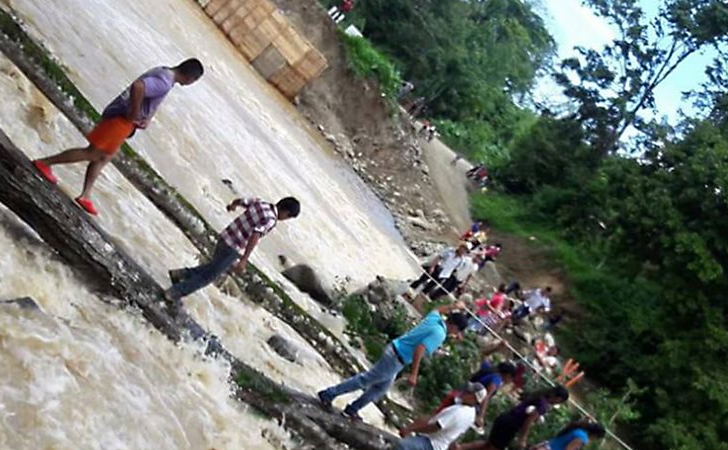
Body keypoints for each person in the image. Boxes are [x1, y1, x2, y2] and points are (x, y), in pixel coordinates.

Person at [32, 59, 204, 215]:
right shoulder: (165, 82)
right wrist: (134, 113)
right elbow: (139, 87)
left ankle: (86, 195)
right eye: (194, 81)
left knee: (105, 156)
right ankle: (45, 163)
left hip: (124, 120)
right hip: (121, 119)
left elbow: (147, 94)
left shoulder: (165, 72)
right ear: (190, 78)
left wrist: (146, 117)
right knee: (93, 153)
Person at [319, 309, 470, 420]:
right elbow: (420, 349)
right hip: (396, 358)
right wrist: (414, 374)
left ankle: (352, 409)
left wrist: (454, 306)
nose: (456, 335)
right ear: (455, 327)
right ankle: (329, 394)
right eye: (457, 332)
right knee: (364, 380)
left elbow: (439, 309)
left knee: (380, 389)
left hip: (394, 350)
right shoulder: (440, 334)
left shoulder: (435, 318)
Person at [165, 196, 300, 302]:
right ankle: (174, 293)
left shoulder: (261, 203)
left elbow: (241, 201)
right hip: (233, 247)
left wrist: (232, 205)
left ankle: (180, 274)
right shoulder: (271, 220)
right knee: (207, 277)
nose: (285, 219)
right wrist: (244, 259)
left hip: (224, 237)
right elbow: (255, 235)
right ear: (286, 212)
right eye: (288, 217)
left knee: (211, 268)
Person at [454, 385, 569, 450]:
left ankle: (460, 448)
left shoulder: (539, 396)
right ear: (558, 398)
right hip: (510, 425)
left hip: (505, 418)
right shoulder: (543, 405)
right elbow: (528, 420)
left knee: (489, 444)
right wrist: (523, 438)